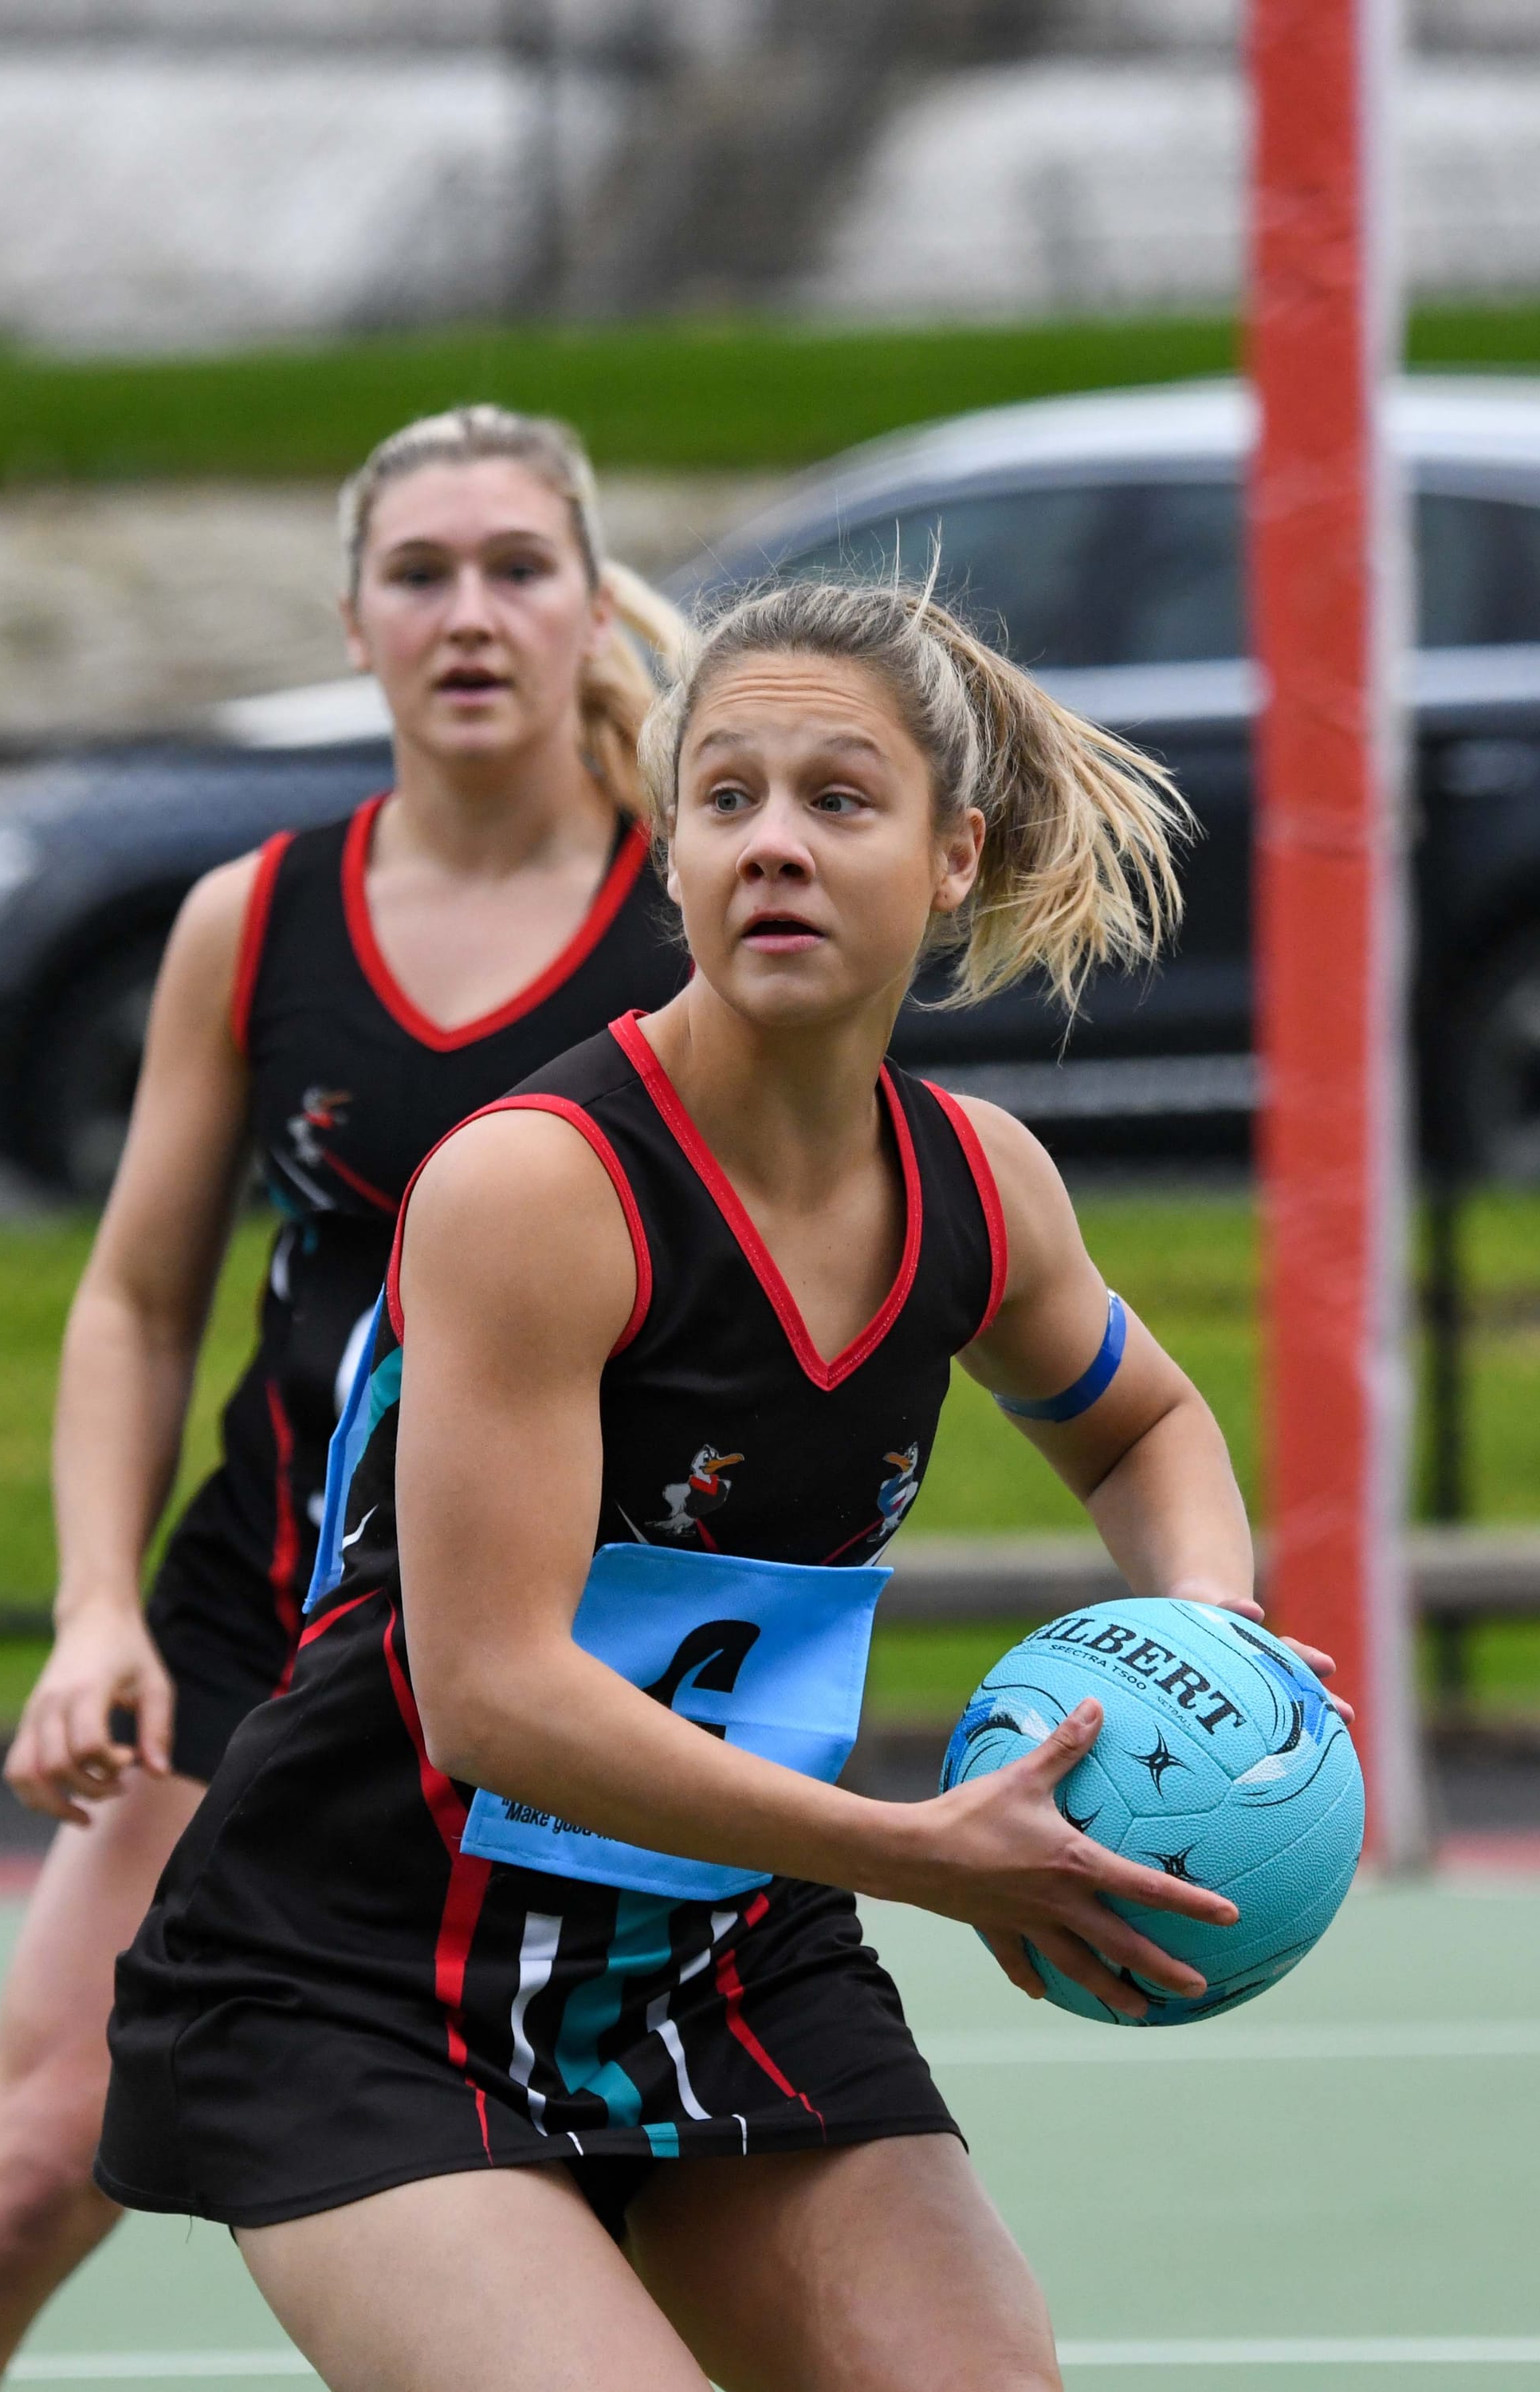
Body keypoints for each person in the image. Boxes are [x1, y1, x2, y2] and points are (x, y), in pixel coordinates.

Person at [96, 579, 1349, 2392]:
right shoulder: (541, 1187)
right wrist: (919, 1855)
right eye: (727, 800)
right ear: (672, 855)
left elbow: (1143, 1425)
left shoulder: (982, 1189)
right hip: (362, 1972)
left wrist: (1205, 1629)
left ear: (951, 856)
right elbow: (495, 1695)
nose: (773, 844)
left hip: (716, 1953)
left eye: (839, 800)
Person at [0, 405, 687, 2392]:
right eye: (418, 575)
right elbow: (135, 1299)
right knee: (14, 2184)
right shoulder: (257, 917)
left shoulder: (690, 918)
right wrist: (94, 1610)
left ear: (588, 604)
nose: (470, 614)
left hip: (576, 1676)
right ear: (354, 623)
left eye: (517, 568)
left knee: (627, 2243)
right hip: (265, 1640)